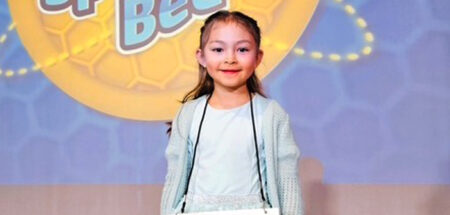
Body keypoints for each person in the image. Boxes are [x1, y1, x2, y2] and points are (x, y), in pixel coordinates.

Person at [160, 10, 303, 215]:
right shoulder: (190, 114)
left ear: (258, 57)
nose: (230, 59)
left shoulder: (271, 114)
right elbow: (174, 179)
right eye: (218, 49)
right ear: (201, 56)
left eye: (242, 49)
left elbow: (287, 179)